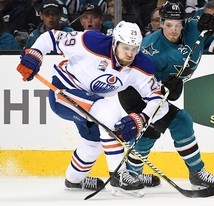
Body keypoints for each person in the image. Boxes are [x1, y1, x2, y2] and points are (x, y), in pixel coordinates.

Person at [16, 20, 169, 196]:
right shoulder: (91, 42)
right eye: (126, 48)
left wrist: (142, 118)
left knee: (94, 143)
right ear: (115, 42)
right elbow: (50, 37)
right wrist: (35, 54)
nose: (130, 54)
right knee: (109, 112)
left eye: (134, 49)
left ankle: (73, 181)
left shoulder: (142, 65)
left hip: (92, 102)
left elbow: (159, 101)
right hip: (64, 92)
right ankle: (118, 176)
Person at [118, 1, 214, 190]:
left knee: (155, 130)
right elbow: (140, 82)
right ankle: (132, 174)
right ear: (161, 23)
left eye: (178, 24)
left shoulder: (197, 28)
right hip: (136, 91)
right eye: (168, 25)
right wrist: (163, 88)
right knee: (176, 122)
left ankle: (131, 173)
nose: (173, 30)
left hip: (157, 91)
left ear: (184, 22)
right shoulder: (150, 49)